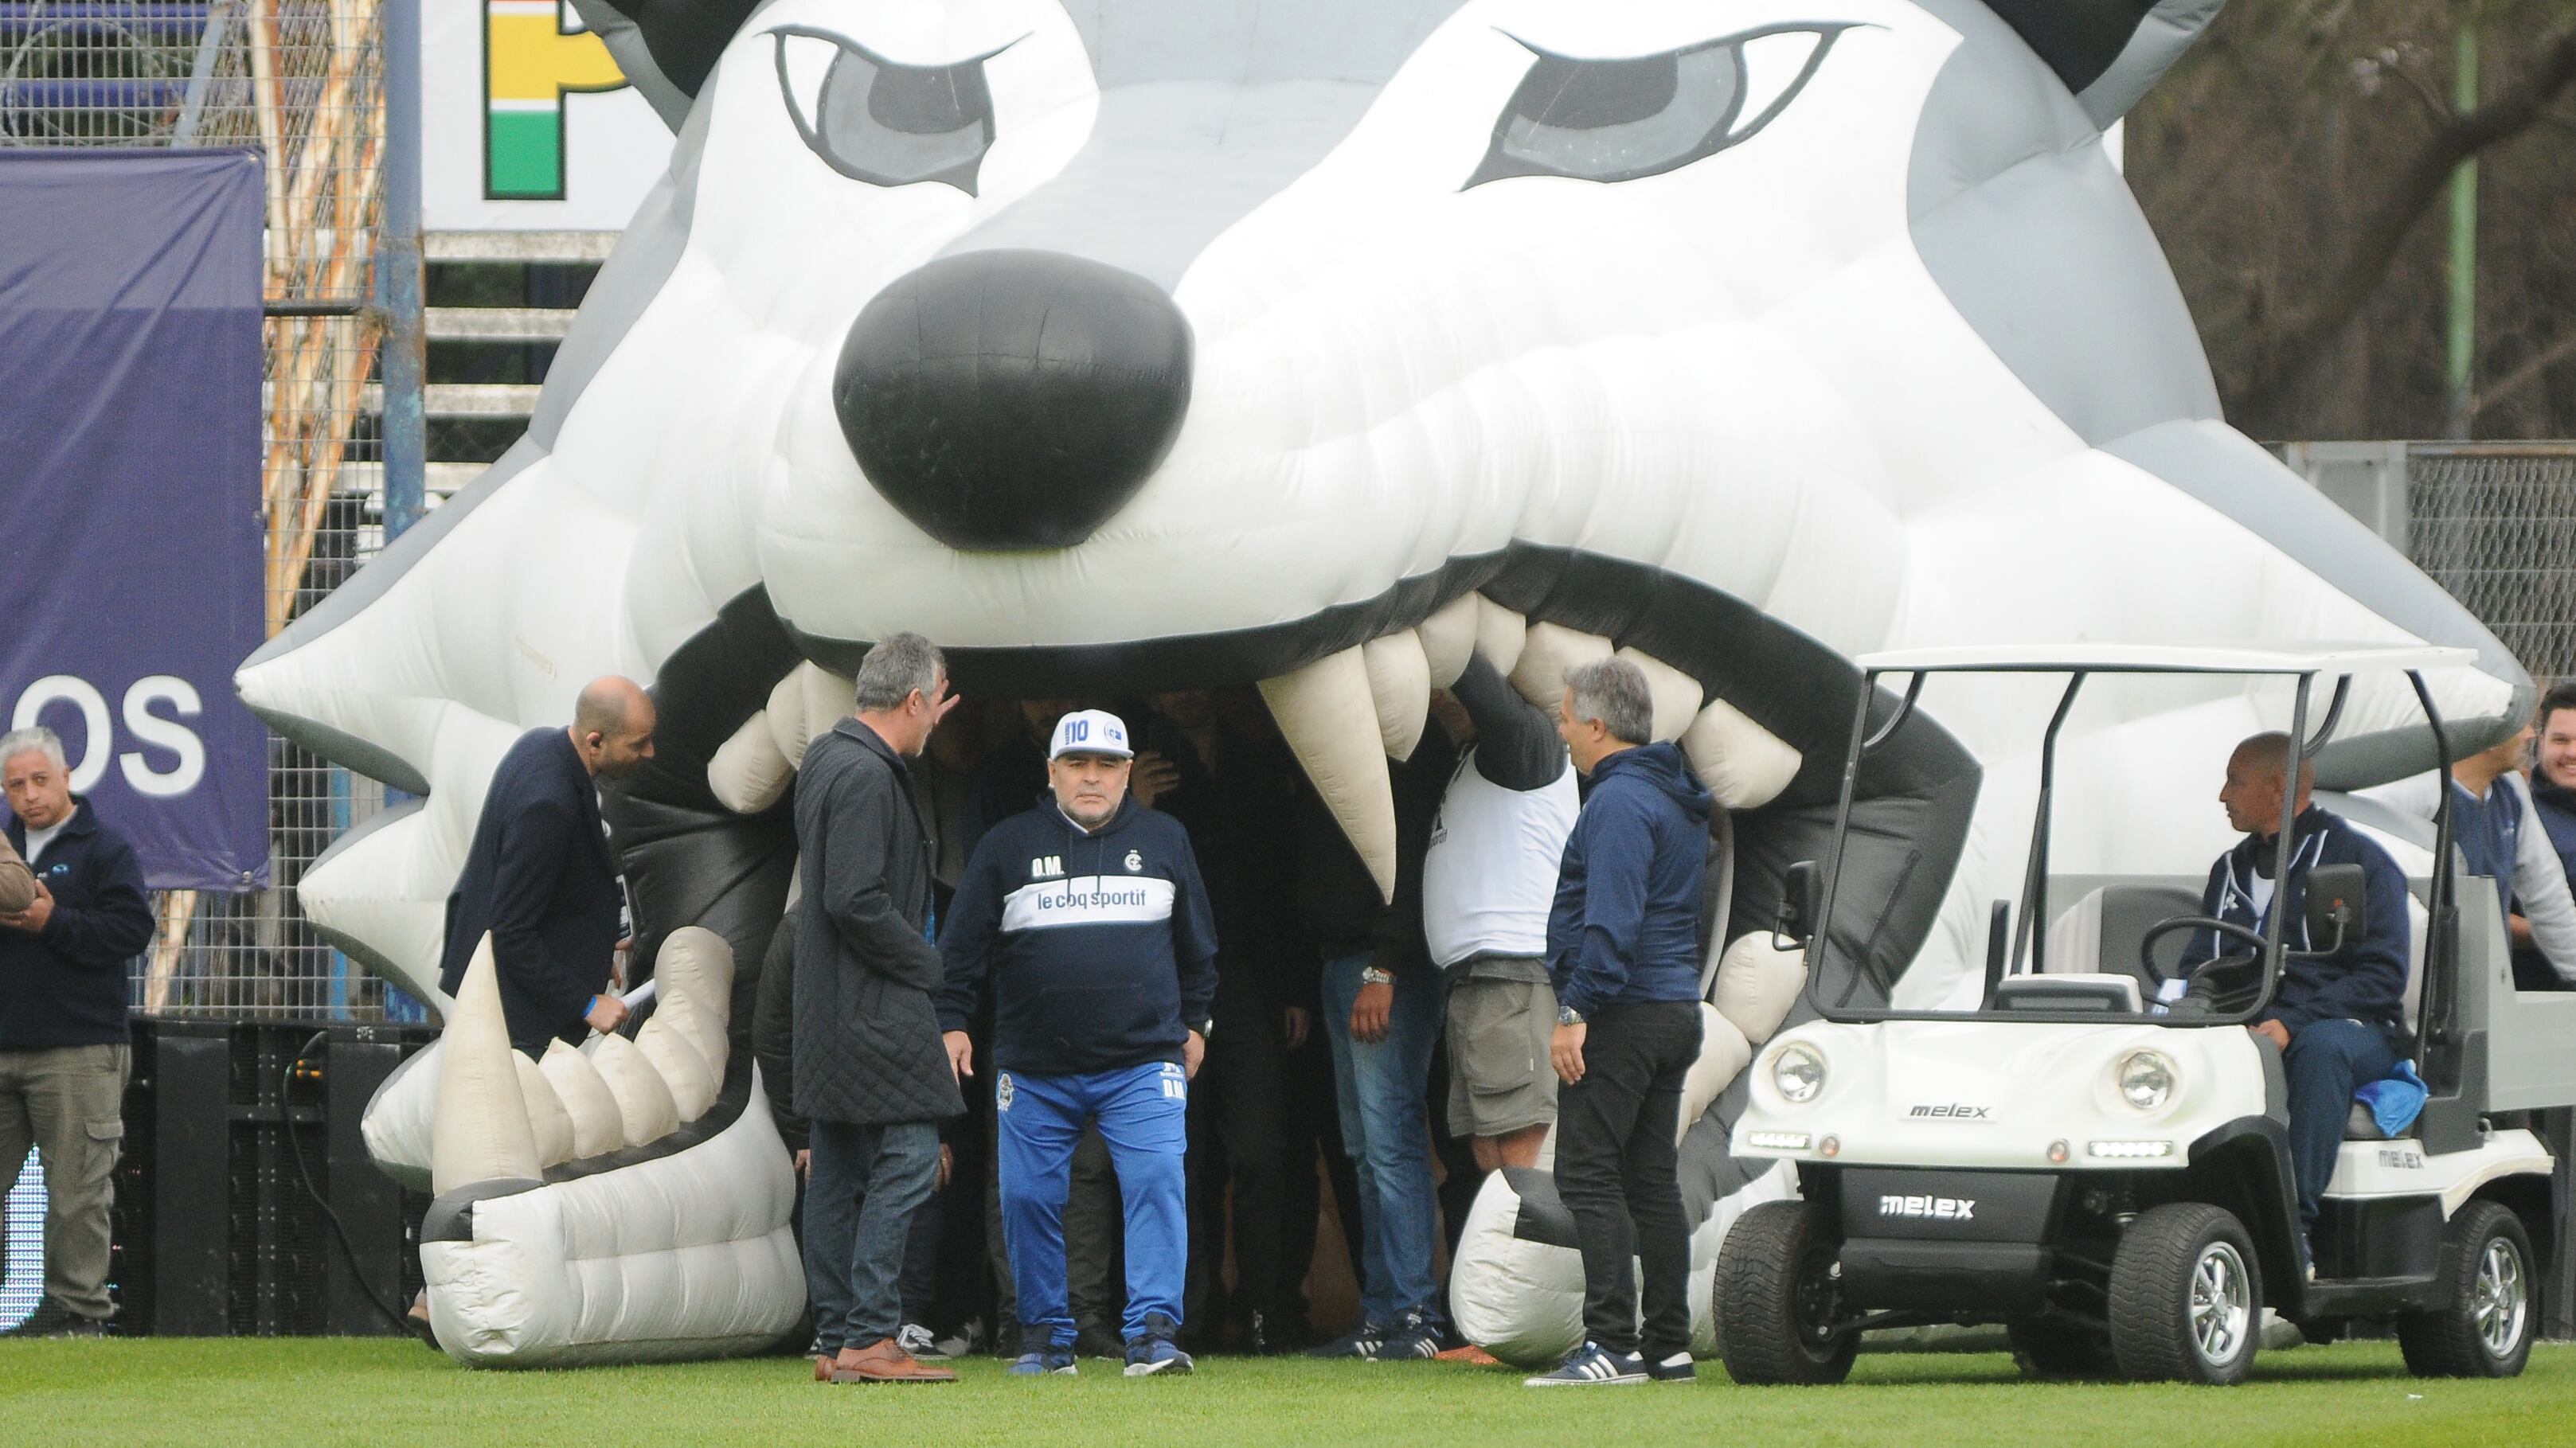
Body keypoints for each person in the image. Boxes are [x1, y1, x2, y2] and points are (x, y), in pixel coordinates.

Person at [938, 709, 1218, 1377]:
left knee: (1156, 1183)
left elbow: (1199, 947)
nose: (1091, 777)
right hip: (1035, 1066)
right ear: (1051, 772)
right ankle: (1043, 1339)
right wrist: (951, 1021)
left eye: (1107, 764)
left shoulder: (1166, 837)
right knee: (1027, 1198)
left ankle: (1153, 1336)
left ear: (1127, 772)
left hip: (1142, 1061)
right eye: (1076, 763)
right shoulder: (1006, 844)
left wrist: (1196, 1023)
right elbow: (959, 950)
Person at [1526, 658, 1707, 1388]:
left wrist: (1575, 1009)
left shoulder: (1617, 802)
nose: (1561, 729)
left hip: (1621, 1011)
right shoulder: (1671, 793)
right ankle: (1667, 1346)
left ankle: (1611, 1343)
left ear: (1598, 725)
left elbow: (1610, 920)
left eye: (1567, 717)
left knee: (1586, 1173)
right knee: (1650, 1180)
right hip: (1673, 1006)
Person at [792, 633, 965, 1384]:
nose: (939, 720)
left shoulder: (828, 757)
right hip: (873, 1002)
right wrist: (927, 965)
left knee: (836, 1169)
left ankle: (836, 1340)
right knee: (914, 1154)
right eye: (936, 702)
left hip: (827, 1007)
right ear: (915, 699)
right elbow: (854, 897)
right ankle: (868, 1335)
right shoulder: (866, 773)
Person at [2180, 733, 2411, 1275]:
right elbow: (2197, 962)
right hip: (2249, 1019)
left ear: (2278, 788)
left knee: (2320, 1047)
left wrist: (2293, 1018)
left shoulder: (2360, 862)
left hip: (2352, 1027)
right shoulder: (2229, 869)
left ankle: (2293, 1233)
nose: (2222, 795)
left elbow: (2382, 977)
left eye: (2234, 781)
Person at [1143, 689, 1304, 1352]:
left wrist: (1292, 987)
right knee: (1182, 1156)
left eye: (1193, 681)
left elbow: (1281, 880)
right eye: (1171, 682)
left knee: (1261, 1150)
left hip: (1246, 981)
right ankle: (1192, 1316)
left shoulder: (1254, 757)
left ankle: (1264, 1307)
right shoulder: (1141, 760)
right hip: (1168, 983)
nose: (1182, 693)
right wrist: (1135, 809)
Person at [1301, 723, 1456, 1361]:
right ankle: (1383, 1311)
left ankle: (1417, 1313)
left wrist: (1385, 966)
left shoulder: (1405, 744)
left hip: (1384, 965)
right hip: (1341, 959)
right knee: (1364, 1150)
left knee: (1391, 1144)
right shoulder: (1338, 742)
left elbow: (1414, 855)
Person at [0, 727, 147, 1337]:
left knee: (76, 1191)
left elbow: (131, 930)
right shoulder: (5, 848)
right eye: (16, 784)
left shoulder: (104, 848)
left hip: (79, 1047)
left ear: (66, 777)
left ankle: (79, 1313)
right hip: (4, 1043)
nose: (30, 795)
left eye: (40, 780)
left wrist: (53, 921)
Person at [436, 677, 655, 1056]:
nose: (650, 753)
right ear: (596, 742)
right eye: (638, 744)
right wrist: (587, 1003)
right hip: (515, 1022)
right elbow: (510, 932)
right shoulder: (549, 806)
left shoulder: (540, 745)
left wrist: (591, 948)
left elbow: (552, 887)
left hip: (505, 1002)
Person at [1423, 657, 1578, 1181]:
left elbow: (1491, 700)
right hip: (1478, 982)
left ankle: (1533, 1240)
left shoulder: (1529, 743)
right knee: (1489, 1153)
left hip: (1513, 978)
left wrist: (1450, 651)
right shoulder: (1473, 760)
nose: (1439, 700)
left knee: (1520, 1153)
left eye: (1446, 692)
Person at [2364, 716, 2576, 989]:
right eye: (2519, 724)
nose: (2530, 734)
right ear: (2485, 731)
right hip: (2416, 989)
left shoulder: (2511, 789)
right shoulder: (2414, 792)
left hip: (2487, 986)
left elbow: (2548, 894)